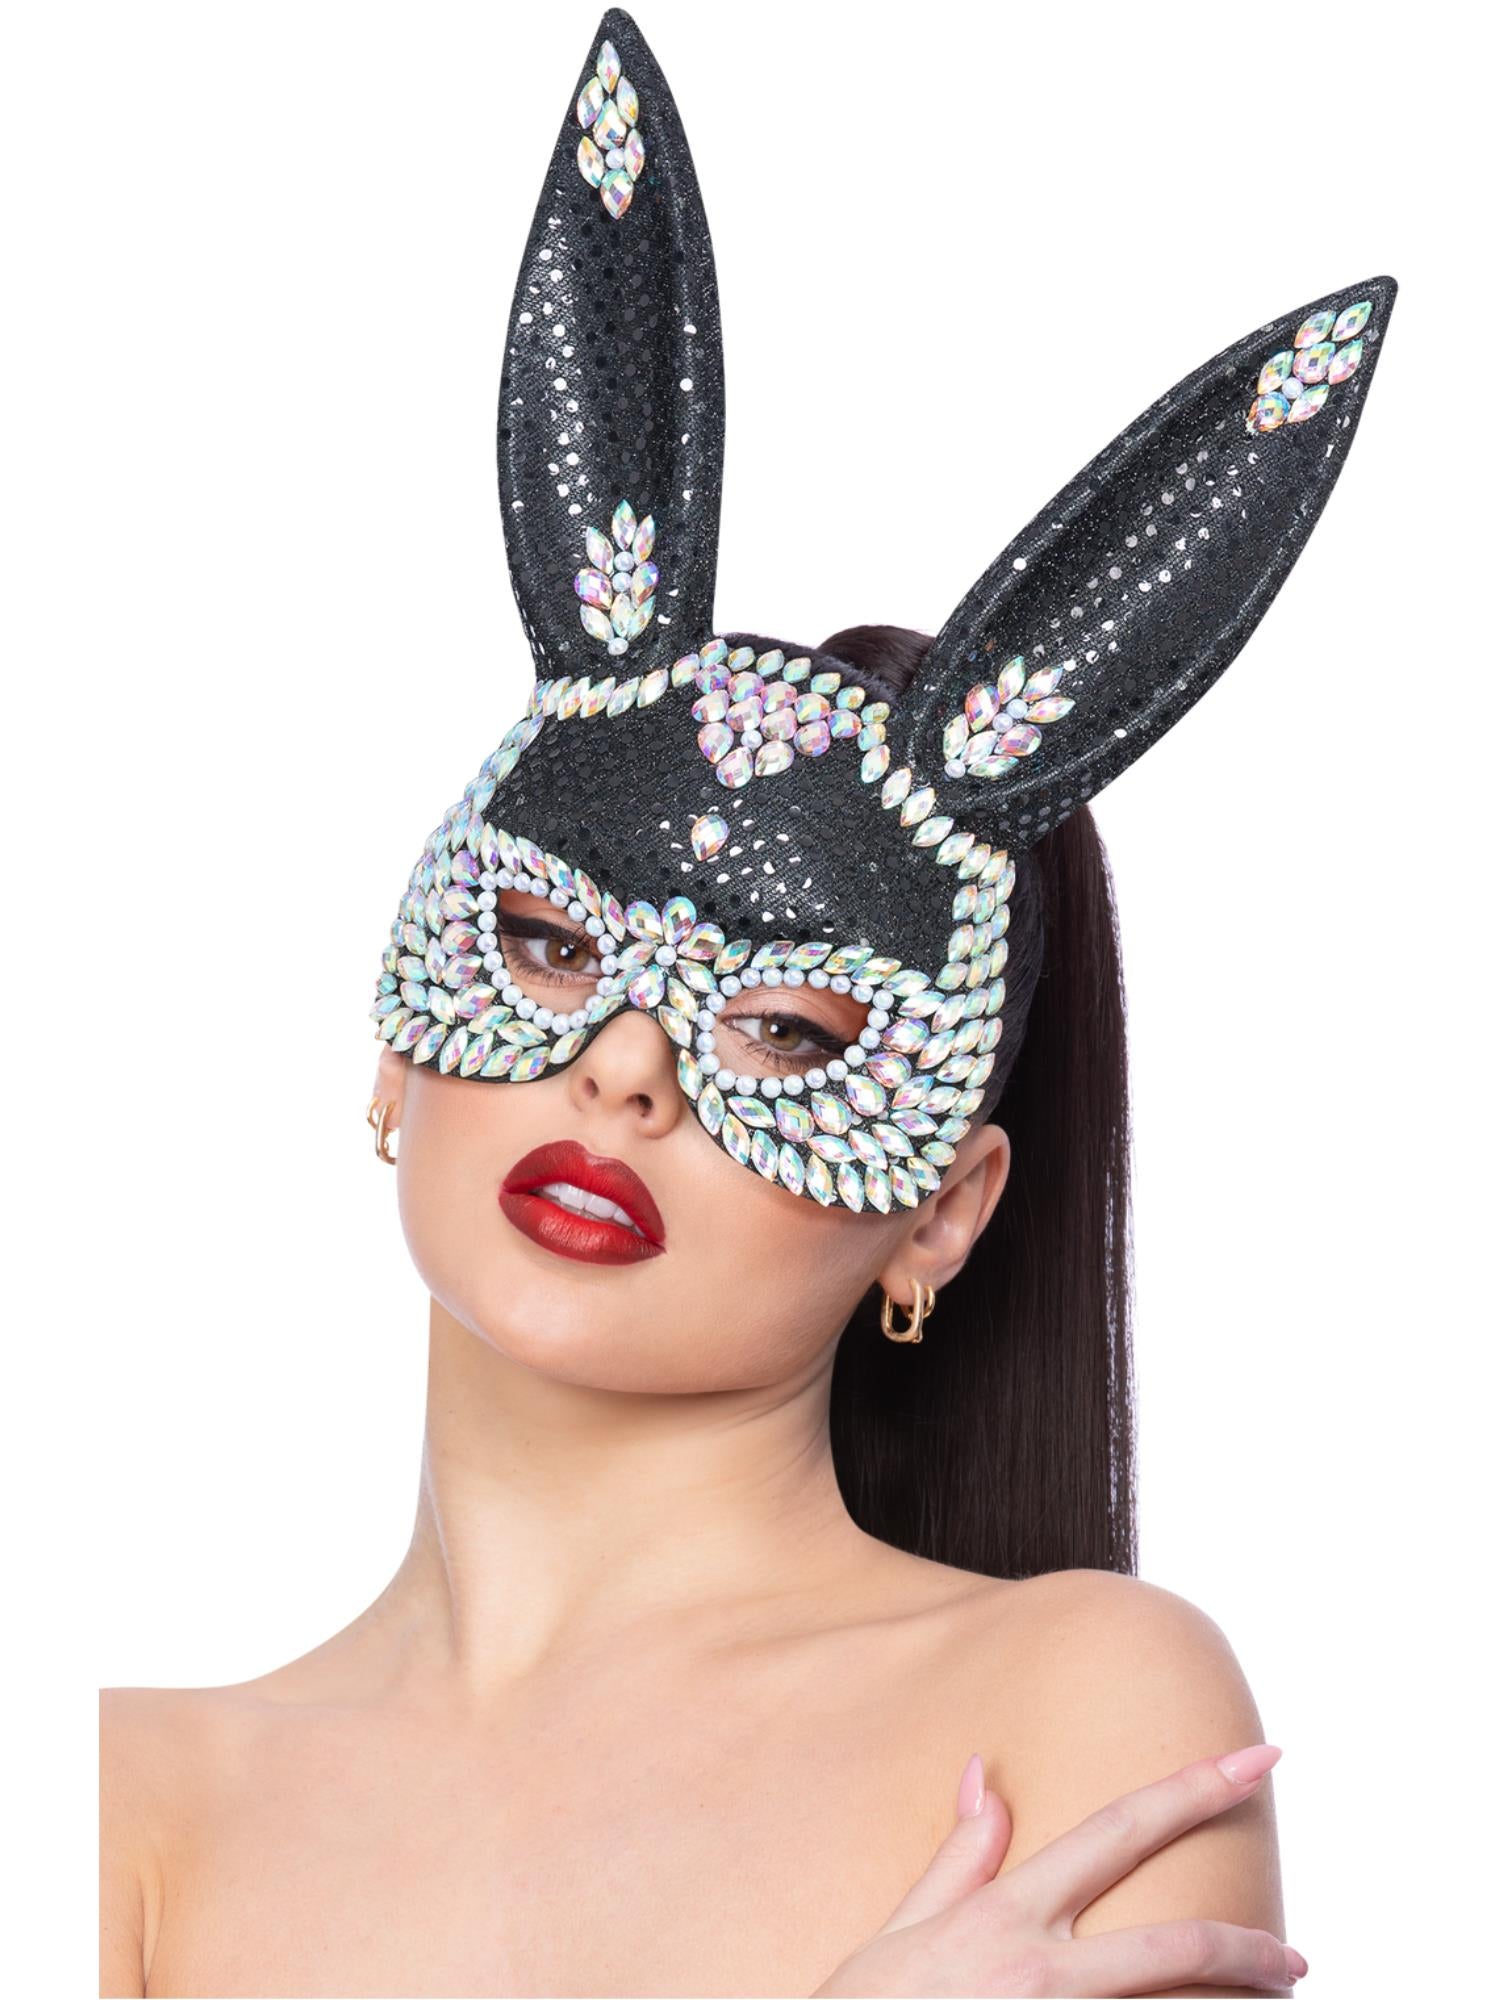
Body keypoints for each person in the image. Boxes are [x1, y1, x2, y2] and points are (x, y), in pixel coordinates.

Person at [99, 11, 1393, 1996]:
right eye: (550, 942)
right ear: (392, 1042)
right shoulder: (122, 1803)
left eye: (787, 1030)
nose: (627, 1064)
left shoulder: (1073, 1708)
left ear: (942, 1209)